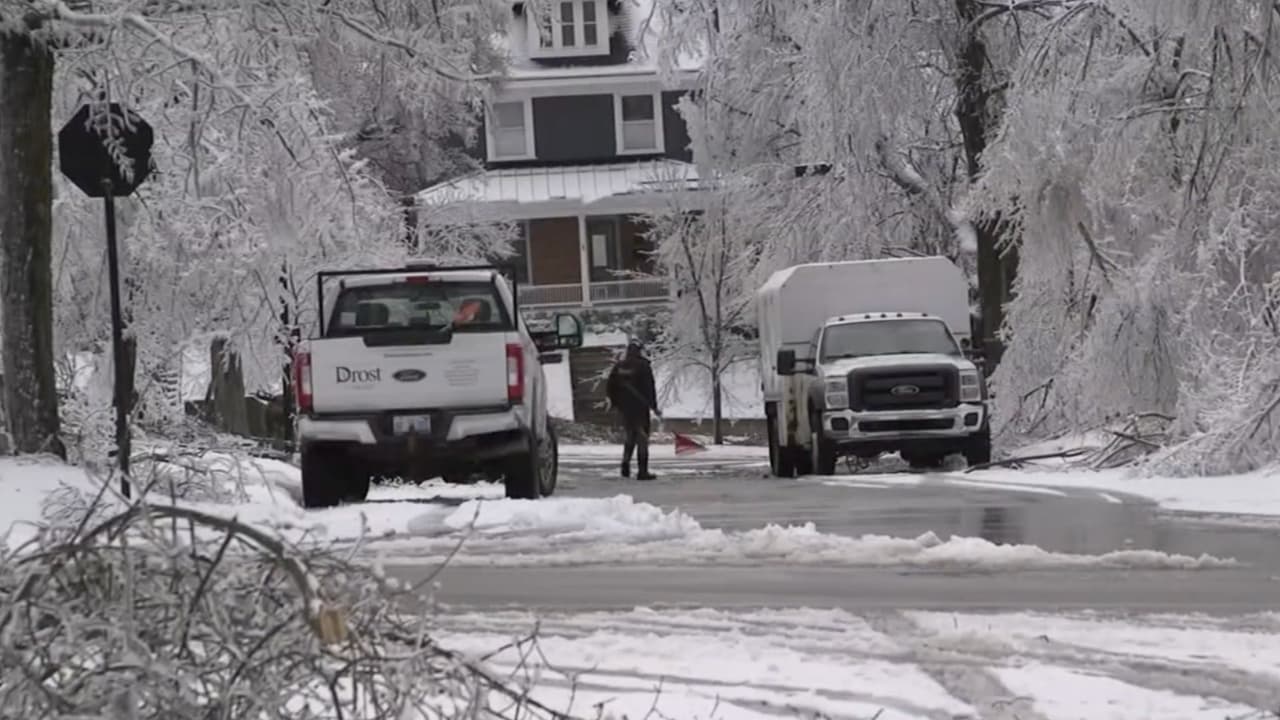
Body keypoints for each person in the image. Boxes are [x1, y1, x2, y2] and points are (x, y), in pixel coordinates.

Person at [606, 339, 660, 480]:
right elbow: (649, 388)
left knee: (630, 435)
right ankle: (643, 471)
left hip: (625, 408)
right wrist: (654, 406)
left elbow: (610, 387)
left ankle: (625, 464)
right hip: (640, 408)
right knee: (642, 437)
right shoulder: (643, 366)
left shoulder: (619, 367)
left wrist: (615, 403)